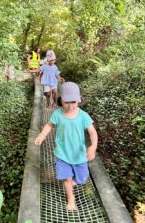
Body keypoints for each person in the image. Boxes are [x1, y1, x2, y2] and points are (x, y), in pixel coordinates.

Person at [35, 82, 98, 211]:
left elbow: (92, 132)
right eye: (66, 102)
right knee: (67, 179)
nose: (70, 106)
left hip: (79, 155)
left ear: (79, 100)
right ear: (60, 100)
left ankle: (73, 182)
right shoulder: (57, 114)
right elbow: (49, 125)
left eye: (73, 102)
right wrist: (42, 135)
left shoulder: (83, 116)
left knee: (82, 178)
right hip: (62, 154)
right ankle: (71, 198)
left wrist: (93, 147)